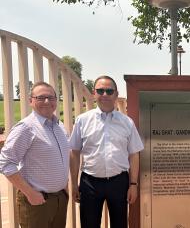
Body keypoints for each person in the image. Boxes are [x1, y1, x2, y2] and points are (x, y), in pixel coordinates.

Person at [69, 75, 144, 228]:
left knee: (120, 224)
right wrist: (75, 185)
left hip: (119, 182)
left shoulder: (126, 122)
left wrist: (133, 184)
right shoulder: (82, 120)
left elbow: (134, 154)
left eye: (109, 91)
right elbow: (74, 152)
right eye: (100, 91)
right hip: (90, 182)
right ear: (93, 93)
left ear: (116, 94)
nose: (105, 95)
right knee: (89, 224)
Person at [0, 82, 69, 228]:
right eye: (41, 98)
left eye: (51, 98)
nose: (47, 101)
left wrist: (64, 185)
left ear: (56, 101)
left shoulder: (59, 126)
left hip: (59, 199)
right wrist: (29, 193)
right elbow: (5, 163)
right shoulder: (26, 128)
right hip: (37, 202)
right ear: (31, 101)